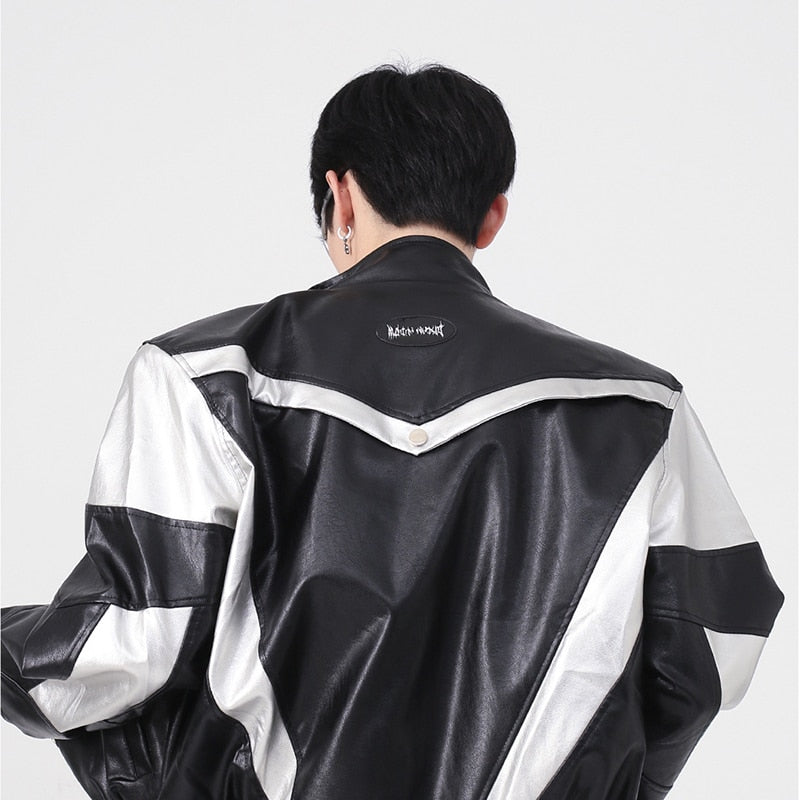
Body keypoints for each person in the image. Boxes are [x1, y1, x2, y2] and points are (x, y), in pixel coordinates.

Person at [1, 63, 784, 800]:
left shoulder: (207, 378)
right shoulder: (639, 407)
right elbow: (713, 649)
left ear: (339, 198)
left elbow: (122, 651)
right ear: (492, 215)